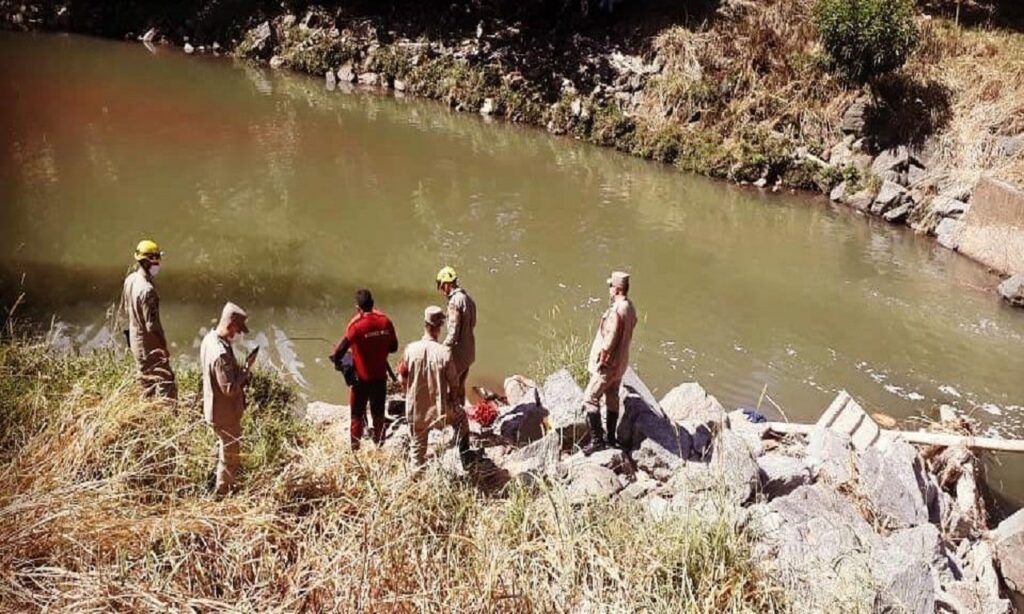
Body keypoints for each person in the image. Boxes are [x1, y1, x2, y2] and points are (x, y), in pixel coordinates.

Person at [398, 306, 471, 470]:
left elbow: (401, 377)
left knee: (417, 450)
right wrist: (453, 402)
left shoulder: (410, 350)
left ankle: (415, 477)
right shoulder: (445, 353)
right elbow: (454, 384)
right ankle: (464, 458)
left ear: (425, 325)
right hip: (440, 413)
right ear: (439, 328)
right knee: (462, 419)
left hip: (416, 412)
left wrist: (407, 395)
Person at [329, 289, 399, 449]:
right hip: (380, 379)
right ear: (373, 304)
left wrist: (338, 362)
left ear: (358, 308)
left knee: (356, 415)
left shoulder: (356, 326)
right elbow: (394, 347)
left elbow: (339, 351)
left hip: (361, 380)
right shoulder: (385, 322)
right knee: (379, 415)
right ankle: (379, 446)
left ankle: (355, 450)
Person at [200, 302, 255, 497]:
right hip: (224, 414)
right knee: (230, 456)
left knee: (223, 448)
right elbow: (229, 389)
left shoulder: (209, 339)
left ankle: (214, 480)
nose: (239, 334)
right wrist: (246, 370)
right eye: (238, 329)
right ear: (230, 325)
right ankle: (223, 493)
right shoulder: (221, 354)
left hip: (213, 408)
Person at [582, 271, 637, 456]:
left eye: (611, 286)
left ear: (617, 289)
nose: (610, 290)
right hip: (621, 364)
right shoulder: (630, 308)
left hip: (609, 365)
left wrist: (602, 361)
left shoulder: (616, 311)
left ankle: (597, 441)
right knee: (612, 397)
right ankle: (611, 438)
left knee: (590, 397)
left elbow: (610, 339)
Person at [121, 239, 177, 399]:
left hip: (135, 340)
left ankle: (146, 411)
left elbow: (127, 308)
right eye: (156, 260)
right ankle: (168, 415)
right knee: (166, 380)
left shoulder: (130, 279)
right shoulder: (148, 291)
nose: (158, 265)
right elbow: (152, 326)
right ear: (148, 262)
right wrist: (163, 347)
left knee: (145, 381)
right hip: (149, 344)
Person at [435, 266, 476, 411]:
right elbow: (473, 323)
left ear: (447, 284)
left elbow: (453, 334)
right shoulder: (467, 298)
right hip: (469, 351)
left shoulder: (454, 303)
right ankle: (462, 413)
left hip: (458, 354)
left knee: (450, 387)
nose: (441, 290)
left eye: (441, 286)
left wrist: (441, 349)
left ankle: (453, 416)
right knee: (461, 385)